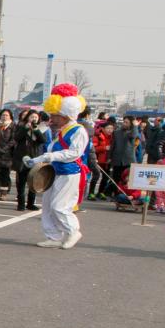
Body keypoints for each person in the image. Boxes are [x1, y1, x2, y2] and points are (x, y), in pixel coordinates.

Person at [25, 84, 90, 249]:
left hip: (69, 173)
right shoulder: (62, 130)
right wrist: (35, 160)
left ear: (65, 114)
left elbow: (74, 153)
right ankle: (53, 236)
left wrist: (49, 156)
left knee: (60, 206)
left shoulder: (79, 131)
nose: (52, 118)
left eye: (55, 115)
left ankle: (72, 231)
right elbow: (51, 150)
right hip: (54, 172)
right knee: (47, 206)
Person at [12, 110, 48, 211]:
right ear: (27, 117)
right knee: (21, 182)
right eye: (32, 117)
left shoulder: (41, 128)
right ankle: (21, 204)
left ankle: (31, 203)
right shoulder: (21, 126)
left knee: (33, 181)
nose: (34, 119)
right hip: (21, 157)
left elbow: (43, 141)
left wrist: (36, 130)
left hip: (35, 157)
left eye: (36, 117)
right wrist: (25, 129)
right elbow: (16, 138)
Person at [90, 117, 114, 199]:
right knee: (96, 175)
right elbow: (93, 148)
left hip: (107, 161)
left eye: (111, 128)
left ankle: (100, 192)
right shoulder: (97, 136)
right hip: (97, 160)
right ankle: (91, 193)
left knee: (106, 177)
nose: (110, 130)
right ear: (102, 128)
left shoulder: (112, 137)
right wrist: (104, 148)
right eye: (108, 128)